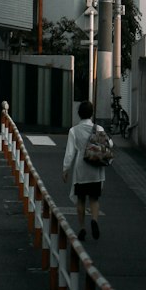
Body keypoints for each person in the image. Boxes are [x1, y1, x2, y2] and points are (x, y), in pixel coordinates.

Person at [62, 99, 111, 241]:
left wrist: (65, 169)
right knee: (94, 199)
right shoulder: (99, 129)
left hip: (81, 169)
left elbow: (70, 152)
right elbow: (109, 144)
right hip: (95, 169)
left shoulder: (74, 131)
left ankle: (82, 227)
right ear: (91, 113)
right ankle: (94, 220)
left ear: (79, 114)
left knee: (81, 200)